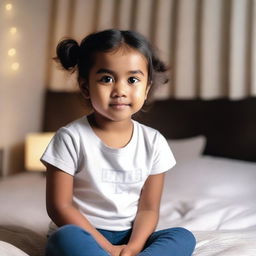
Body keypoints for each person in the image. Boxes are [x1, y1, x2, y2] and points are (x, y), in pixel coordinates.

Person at [41, 29, 196, 256]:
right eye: (107, 79)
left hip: (129, 236)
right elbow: (60, 207)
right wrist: (107, 248)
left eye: (133, 80)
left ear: (147, 88)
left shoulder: (154, 142)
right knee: (64, 239)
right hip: (83, 234)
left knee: (183, 237)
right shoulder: (70, 138)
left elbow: (149, 208)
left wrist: (132, 248)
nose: (120, 90)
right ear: (86, 87)